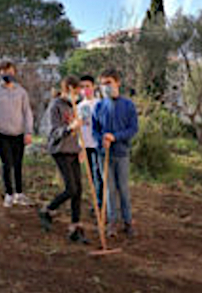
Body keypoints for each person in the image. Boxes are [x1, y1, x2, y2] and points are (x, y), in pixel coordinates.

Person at [39, 76, 89, 244]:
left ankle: (75, 227)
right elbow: (53, 133)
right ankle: (48, 209)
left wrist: (81, 147)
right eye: (74, 92)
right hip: (60, 150)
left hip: (74, 150)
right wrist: (69, 128)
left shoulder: (74, 106)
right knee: (71, 188)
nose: (76, 96)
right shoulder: (55, 106)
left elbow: (79, 132)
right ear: (66, 90)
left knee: (78, 190)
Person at [91, 68, 140, 238]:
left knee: (123, 189)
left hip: (122, 154)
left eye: (108, 83)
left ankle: (128, 222)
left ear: (117, 83)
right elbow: (94, 130)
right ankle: (112, 222)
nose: (105, 87)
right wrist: (101, 140)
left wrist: (115, 137)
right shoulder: (98, 106)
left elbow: (133, 129)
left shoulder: (128, 105)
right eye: (103, 84)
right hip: (104, 155)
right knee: (109, 190)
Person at [0, 60, 33, 207]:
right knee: (6, 164)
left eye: (10, 72)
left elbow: (27, 112)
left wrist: (28, 132)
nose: (7, 75)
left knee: (18, 164)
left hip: (18, 132)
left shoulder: (21, 92)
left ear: (14, 73)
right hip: (2, 132)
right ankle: (9, 194)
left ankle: (19, 193)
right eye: (4, 72)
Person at [76, 74, 103, 210]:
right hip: (85, 145)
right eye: (82, 87)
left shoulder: (100, 104)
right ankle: (95, 202)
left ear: (93, 87)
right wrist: (80, 147)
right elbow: (79, 128)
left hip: (98, 145)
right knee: (91, 177)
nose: (85, 89)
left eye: (87, 86)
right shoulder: (79, 106)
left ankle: (100, 203)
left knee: (99, 175)